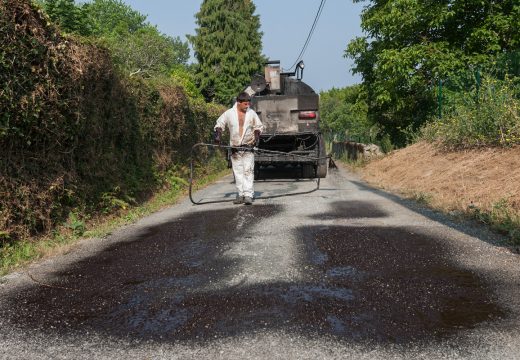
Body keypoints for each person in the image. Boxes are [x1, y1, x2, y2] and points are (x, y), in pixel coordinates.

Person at [214, 92, 263, 205]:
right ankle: (240, 194)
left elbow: (258, 126)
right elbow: (219, 124)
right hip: (235, 148)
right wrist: (218, 135)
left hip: (248, 147)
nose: (247, 106)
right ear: (238, 102)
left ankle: (248, 195)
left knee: (248, 171)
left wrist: (256, 135)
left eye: (248, 104)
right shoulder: (229, 113)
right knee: (238, 172)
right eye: (245, 104)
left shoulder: (252, 113)